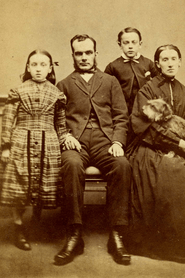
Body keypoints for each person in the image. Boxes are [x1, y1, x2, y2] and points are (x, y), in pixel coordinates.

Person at [128, 44, 185, 258]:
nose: (170, 63)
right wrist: (178, 144)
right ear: (157, 64)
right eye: (164, 59)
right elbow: (143, 126)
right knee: (171, 174)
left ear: (180, 62)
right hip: (151, 147)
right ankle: (167, 242)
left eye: (173, 58)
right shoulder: (148, 90)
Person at [55, 34, 132, 266]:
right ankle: (74, 233)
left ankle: (116, 234)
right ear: (73, 56)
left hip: (104, 140)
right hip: (76, 141)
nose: (84, 57)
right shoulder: (64, 84)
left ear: (96, 54)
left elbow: (121, 117)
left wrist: (117, 142)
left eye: (89, 52)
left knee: (122, 165)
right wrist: (66, 136)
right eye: (79, 53)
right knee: (71, 164)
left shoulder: (110, 81)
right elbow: (57, 120)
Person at [0, 49, 67, 251]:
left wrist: (64, 143)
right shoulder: (18, 91)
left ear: (50, 68)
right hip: (21, 141)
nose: (38, 69)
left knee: (46, 182)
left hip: (49, 142)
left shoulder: (57, 94)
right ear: (28, 68)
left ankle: (39, 223)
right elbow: (8, 120)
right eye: (34, 65)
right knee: (20, 185)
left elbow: (61, 125)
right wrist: (5, 147)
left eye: (43, 64)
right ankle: (19, 227)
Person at [105, 27, 158, 115]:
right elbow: (105, 91)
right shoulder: (113, 66)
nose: (130, 46)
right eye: (126, 43)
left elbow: (159, 85)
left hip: (145, 111)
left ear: (140, 44)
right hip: (121, 111)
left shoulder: (148, 63)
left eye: (134, 42)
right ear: (120, 45)